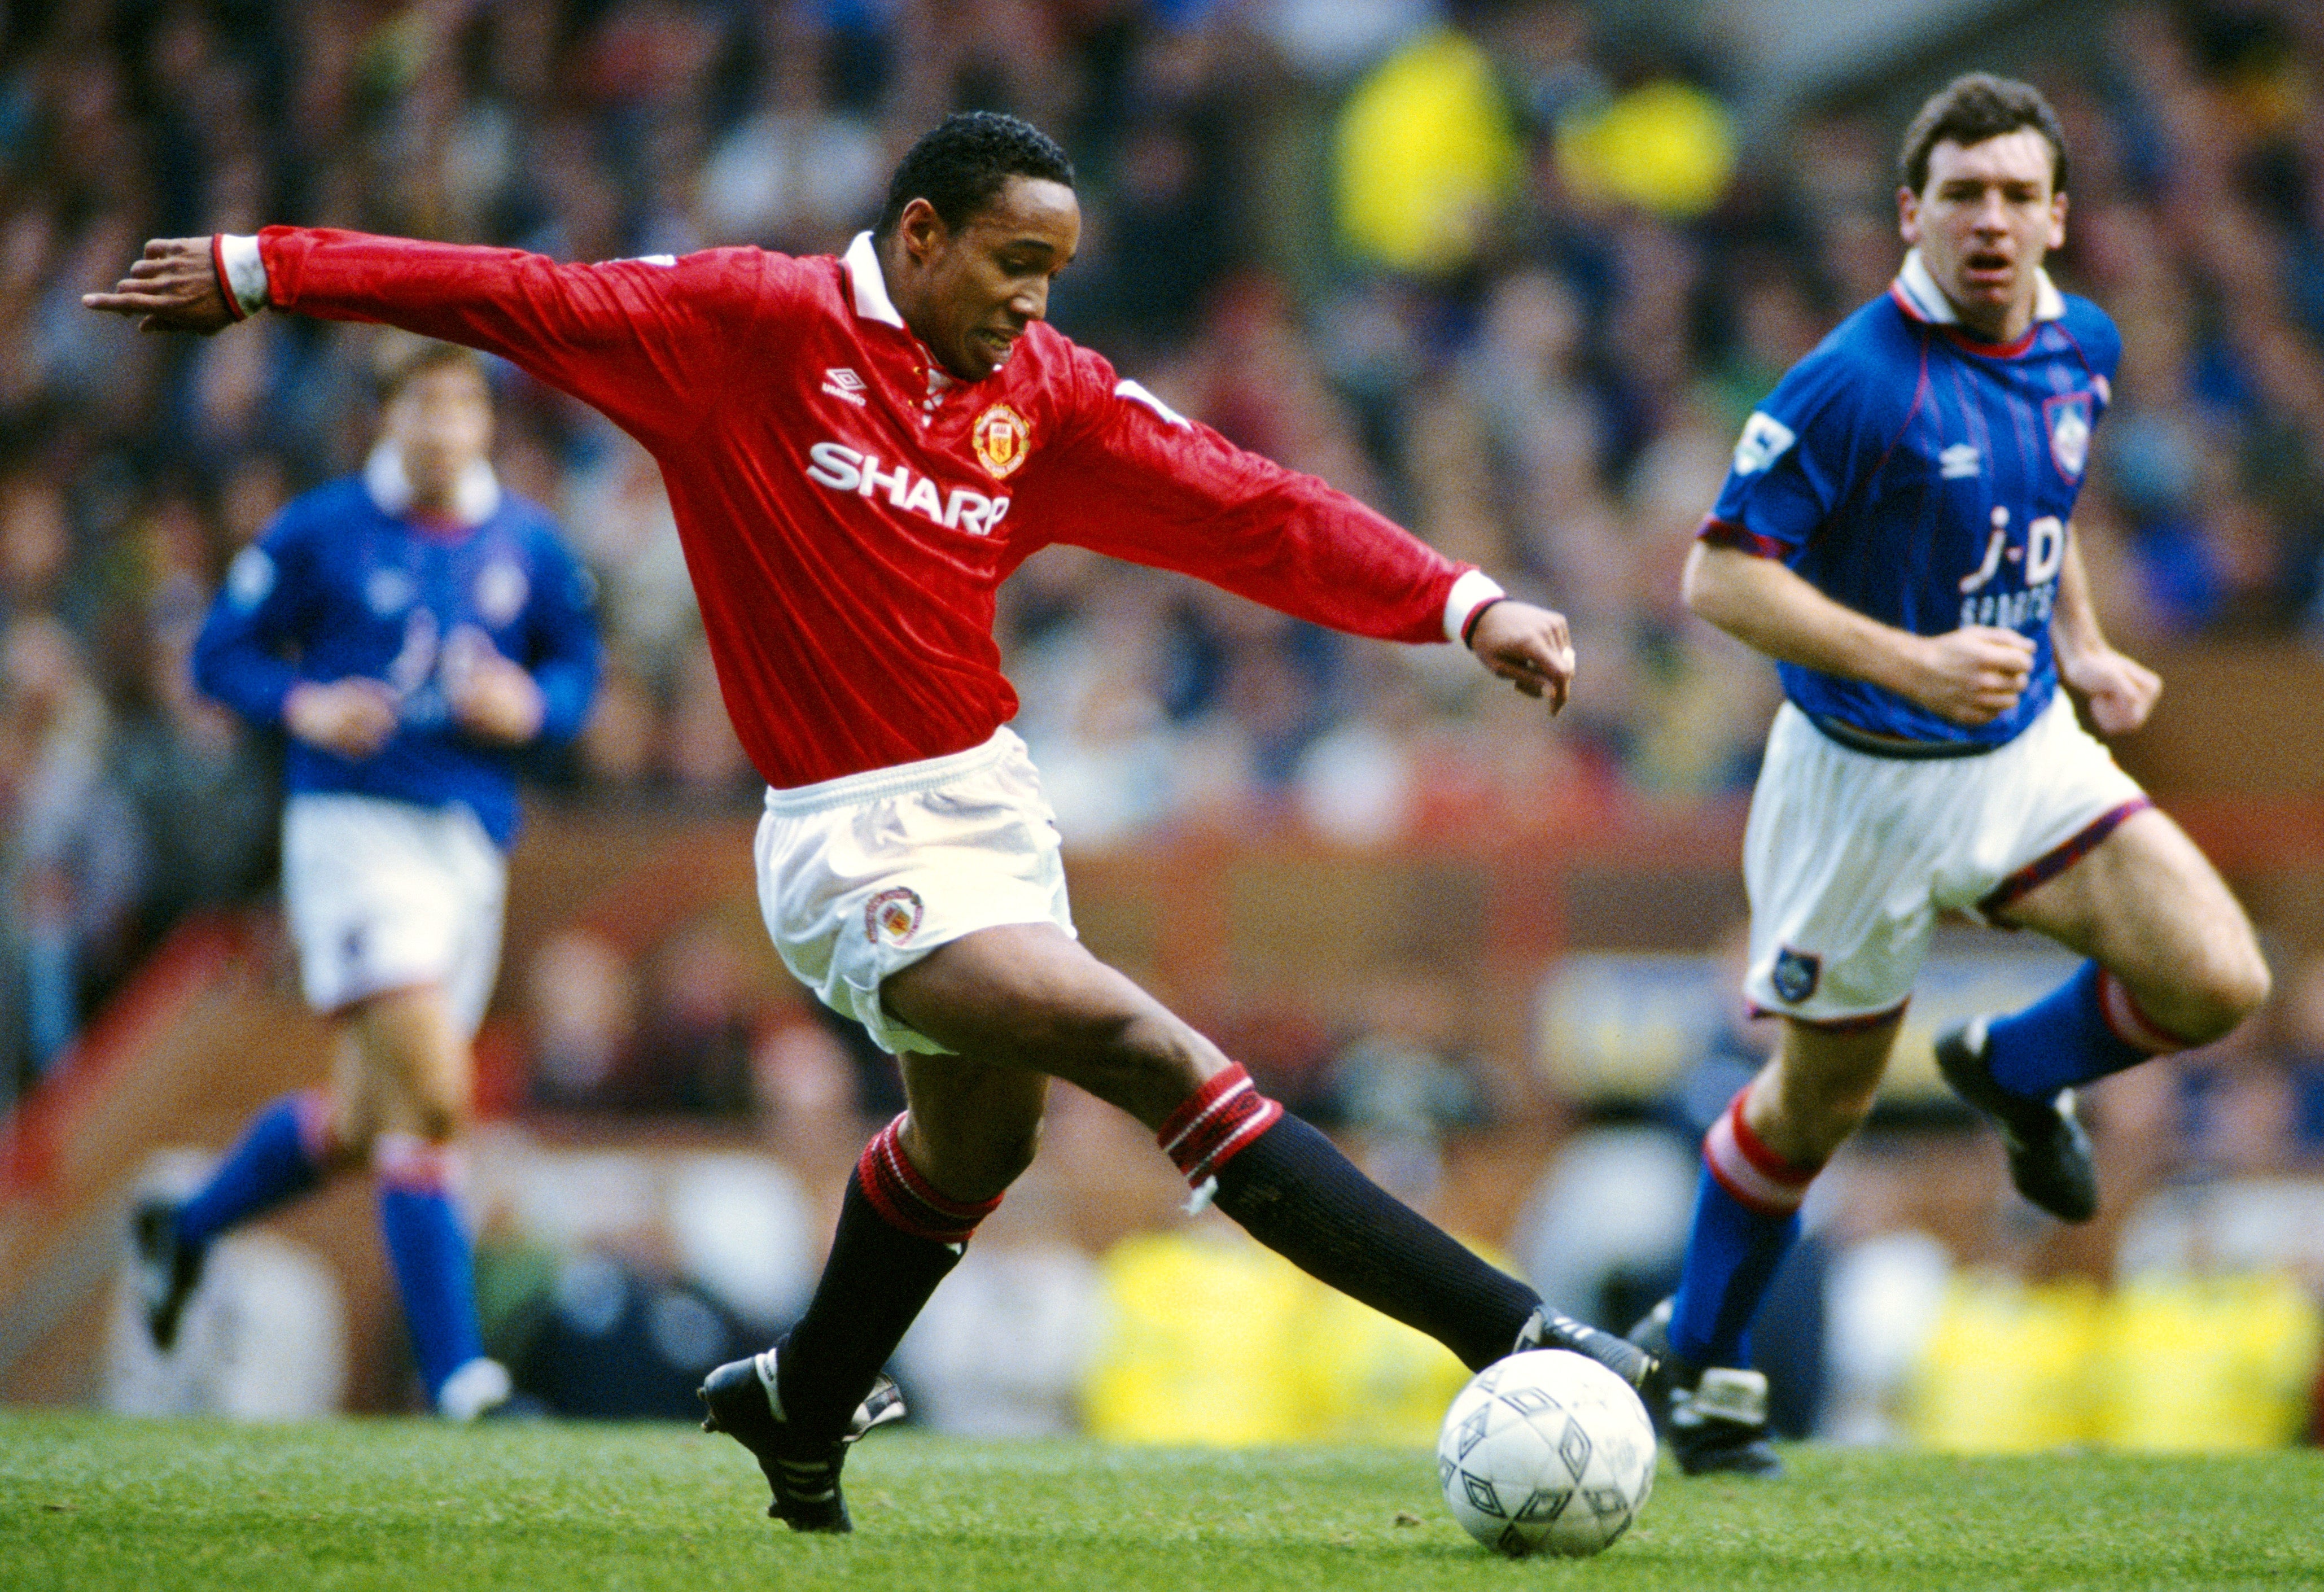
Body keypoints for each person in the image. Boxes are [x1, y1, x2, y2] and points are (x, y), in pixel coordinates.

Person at [89, 110, 1645, 1527]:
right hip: (845, 841)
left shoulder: (1040, 394)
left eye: (1058, 271)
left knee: (978, 1143)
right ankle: (1512, 1327)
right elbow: (517, 291)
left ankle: (803, 1401)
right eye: (1014, 262)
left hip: (990, 808)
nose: (1036, 300)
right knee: (1142, 1048)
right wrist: (264, 266)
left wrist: (1460, 600)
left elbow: (1246, 503)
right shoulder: (746, 325)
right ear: (919, 237)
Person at [1631, 75, 2271, 1475]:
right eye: (1960, 195)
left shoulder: (2078, 343)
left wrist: (2084, 646)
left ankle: (2013, 1071)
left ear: (2058, 217)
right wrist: (1911, 663)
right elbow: (1717, 578)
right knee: (1813, 1110)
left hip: (2023, 747)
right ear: (1909, 214)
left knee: (2216, 977)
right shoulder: (1855, 381)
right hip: (1857, 784)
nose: (1988, 221)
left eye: (2014, 195)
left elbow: (2041, 497)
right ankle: (1707, 1370)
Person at [132, 336, 602, 1420]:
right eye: (420, 406)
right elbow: (220, 654)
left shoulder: (529, 542)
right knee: (435, 1096)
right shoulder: (322, 529)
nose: (441, 428)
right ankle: (463, 1386)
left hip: (469, 844)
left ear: (486, 422)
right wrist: (305, 704)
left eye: (460, 407)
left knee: (365, 1114)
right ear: (387, 418)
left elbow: (578, 668)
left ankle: (186, 1228)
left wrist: (532, 708)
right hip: (353, 833)